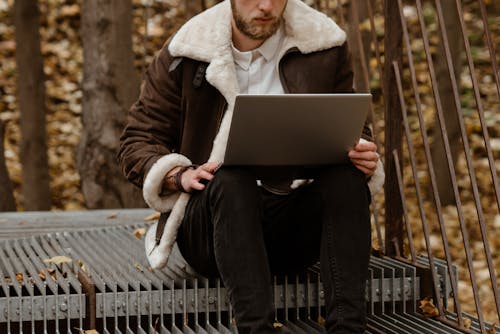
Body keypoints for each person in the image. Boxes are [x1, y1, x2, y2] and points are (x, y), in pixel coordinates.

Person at [118, 0, 384, 333]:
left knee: (347, 178)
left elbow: (351, 126)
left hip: (293, 228)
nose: (265, 5)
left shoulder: (323, 44)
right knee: (231, 178)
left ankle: (347, 327)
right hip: (215, 227)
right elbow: (136, 141)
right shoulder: (187, 51)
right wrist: (178, 175)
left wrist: (361, 154)